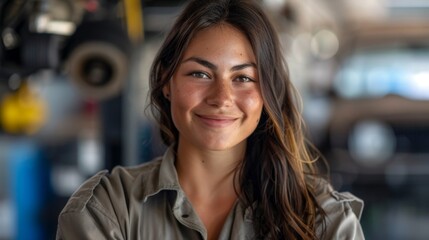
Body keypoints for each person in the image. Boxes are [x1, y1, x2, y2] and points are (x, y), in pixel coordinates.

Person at [56, 0, 364, 239]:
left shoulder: (326, 221)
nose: (221, 98)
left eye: (243, 78)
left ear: (268, 92)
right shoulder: (107, 209)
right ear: (167, 81)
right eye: (200, 74)